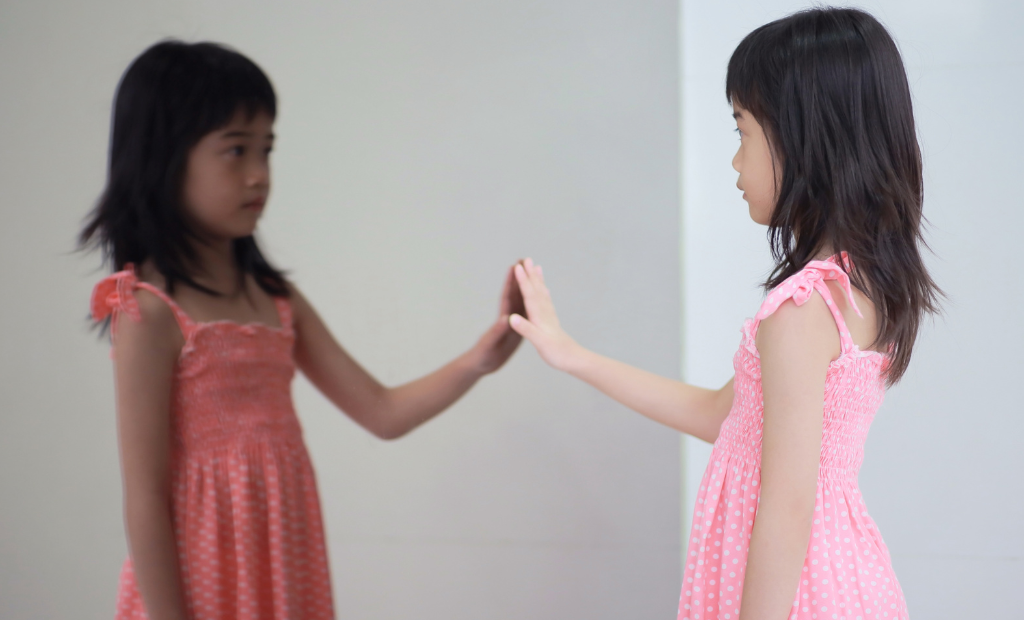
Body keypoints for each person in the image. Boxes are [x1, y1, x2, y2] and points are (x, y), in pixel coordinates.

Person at [508, 8, 939, 620]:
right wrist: (570, 354)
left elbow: (787, 504)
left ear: (802, 136)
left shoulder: (800, 311)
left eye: (741, 129)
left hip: (796, 596)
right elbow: (723, 414)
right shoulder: (855, 288)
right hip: (837, 581)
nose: (735, 161)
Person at [81, 40, 524, 620]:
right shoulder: (149, 312)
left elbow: (383, 412)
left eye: (266, 150)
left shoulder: (276, 300)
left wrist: (479, 359)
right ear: (164, 158)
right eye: (234, 151)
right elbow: (145, 499)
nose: (259, 175)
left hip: (281, 561)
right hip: (198, 576)